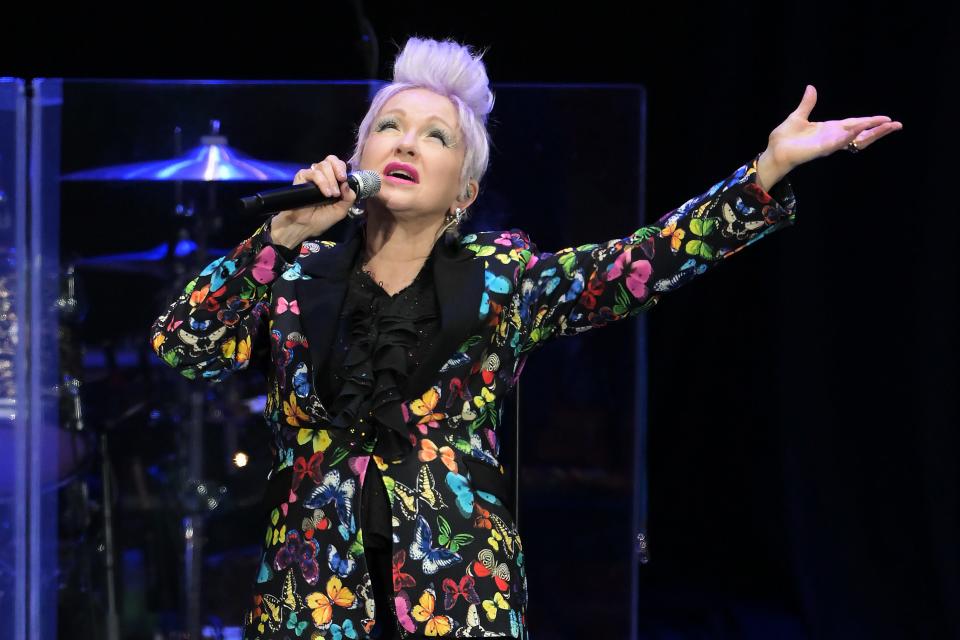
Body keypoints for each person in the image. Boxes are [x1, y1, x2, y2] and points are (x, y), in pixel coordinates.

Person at [149, 36, 901, 640]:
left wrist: (766, 170)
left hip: (459, 595)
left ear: (463, 192)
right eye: (389, 126)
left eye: (435, 135)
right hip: (306, 595)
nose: (406, 142)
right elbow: (183, 346)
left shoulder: (505, 282)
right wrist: (273, 239)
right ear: (358, 158)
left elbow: (641, 263)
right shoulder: (292, 270)